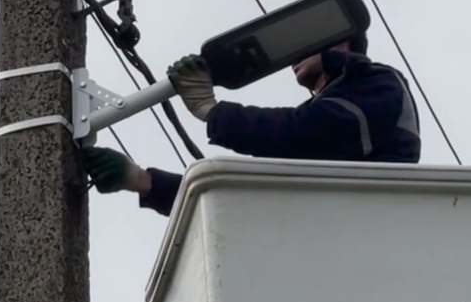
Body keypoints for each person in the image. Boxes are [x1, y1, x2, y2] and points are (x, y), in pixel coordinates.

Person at [81, 32, 421, 217]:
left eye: (302, 44)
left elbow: (304, 130)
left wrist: (211, 111)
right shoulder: (324, 154)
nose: (291, 59)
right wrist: (144, 181)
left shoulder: (380, 83)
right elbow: (246, 198)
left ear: (339, 39)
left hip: (371, 234)